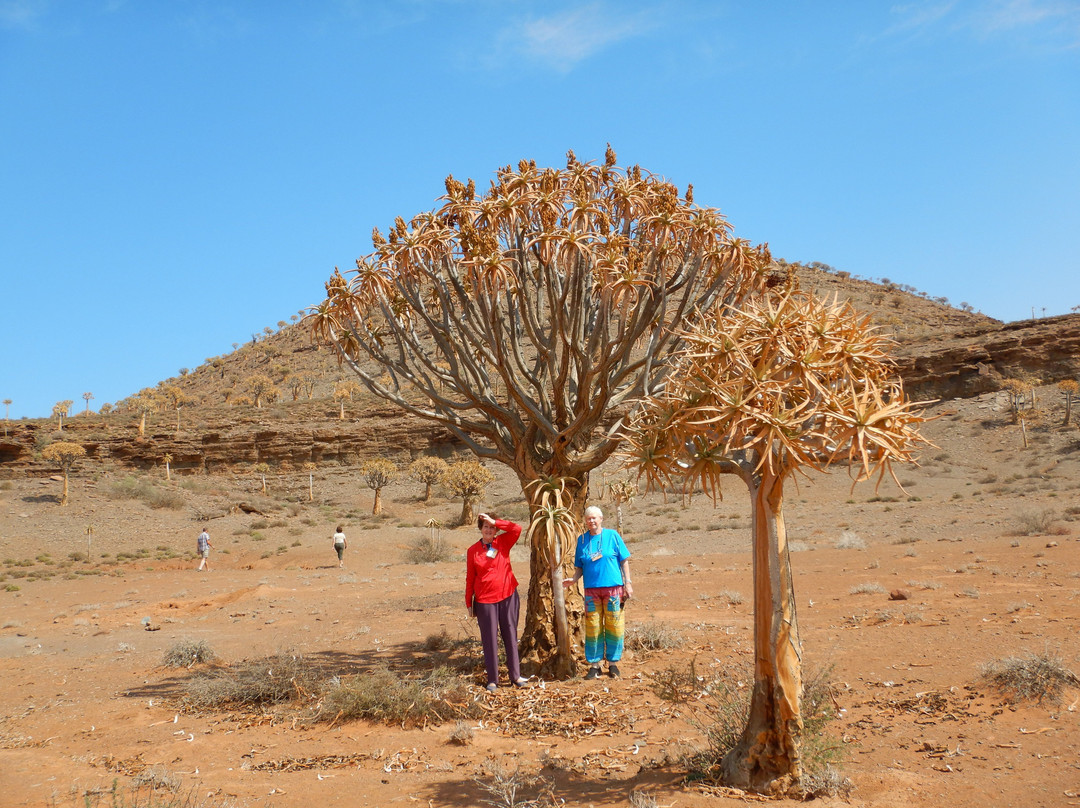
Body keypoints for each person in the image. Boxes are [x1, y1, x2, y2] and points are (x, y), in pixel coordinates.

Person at [563, 505, 633, 679]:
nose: (591, 521)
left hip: (613, 588)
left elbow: (624, 561)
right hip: (591, 590)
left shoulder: (612, 536)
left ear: (601, 519)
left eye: (594, 518)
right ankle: (595, 665)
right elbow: (580, 566)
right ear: (585, 521)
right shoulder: (581, 540)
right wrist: (573, 579)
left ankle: (613, 664)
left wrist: (628, 583)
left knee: (614, 627)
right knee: (593, 627)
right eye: (588, 518)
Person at [465, 512, 529, 693]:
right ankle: (493, 679)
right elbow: (470, 578)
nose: (489, 530)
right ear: (480, 528)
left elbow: (517, 529)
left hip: (508, 595)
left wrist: (497, 521)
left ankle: (515, 676)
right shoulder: (472, 551)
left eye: (492, 527)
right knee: (489, 639)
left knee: (510, 634)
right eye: (485, 526)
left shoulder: (502, 542)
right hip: (485, 601)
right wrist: (469, 602)